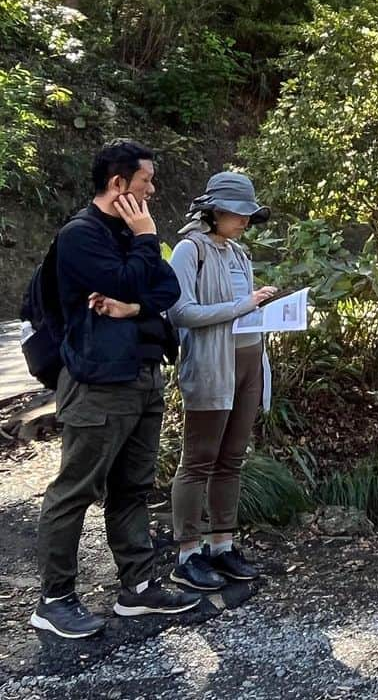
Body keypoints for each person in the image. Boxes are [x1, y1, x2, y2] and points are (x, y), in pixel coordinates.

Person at [33, 141, 199, 639]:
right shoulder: (81, 235)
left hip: (144, 375)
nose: (152, 189)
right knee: (74, 490)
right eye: (145, 180)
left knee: (133, 486)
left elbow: (165, 291)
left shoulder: (131, 233)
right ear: (118, 184)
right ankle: (55, 598)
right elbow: (128, 280)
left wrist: (133, 308)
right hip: (98, 380)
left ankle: (138, 588)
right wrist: (145, 239)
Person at [167, 172, 277, 592]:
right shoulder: (189, 250)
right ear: (214, 211)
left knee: (233, 457)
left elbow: (241, 309)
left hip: (248, 360)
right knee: (198, 459)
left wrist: (264, 309)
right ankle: (187, 552)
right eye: (239, 213)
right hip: (213, 364)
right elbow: (181, 313)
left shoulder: (237, 252)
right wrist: (242, 305)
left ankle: (222, 543)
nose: (246, 221)